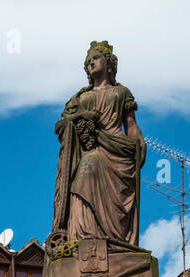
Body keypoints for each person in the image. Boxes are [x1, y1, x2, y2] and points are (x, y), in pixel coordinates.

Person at [51, 40, 146, 247]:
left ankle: (117, 242)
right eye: (87, 61)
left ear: (109, 64)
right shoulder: (81, 97)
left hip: (118, 149)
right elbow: (60, 126)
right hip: (90, 150)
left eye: (95, 59)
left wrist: (138, 140)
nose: (90, 63)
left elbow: (130, 124)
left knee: (93, 167)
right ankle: (85, 237)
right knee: (86, 170)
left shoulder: (121, 93)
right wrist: (82, 117)